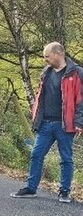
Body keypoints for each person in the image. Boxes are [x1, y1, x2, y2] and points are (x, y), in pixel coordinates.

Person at [11, 42, 83, 203]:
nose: (45, 60)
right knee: (36, 154)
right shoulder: (46, 72)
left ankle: (64, 191)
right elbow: (39, 95)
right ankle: (31, 188)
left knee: (66, 158)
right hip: (45, 123)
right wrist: (36, 116)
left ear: (58, 53)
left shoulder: (76, 73)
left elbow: (81, 100)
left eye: (47, 57)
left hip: (65, 124)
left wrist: (79, 122)